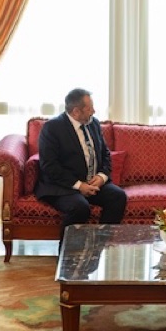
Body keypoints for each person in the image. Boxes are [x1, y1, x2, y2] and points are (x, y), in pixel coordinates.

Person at [36, 88, 127, 237]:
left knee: (118, 196)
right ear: (76, 111)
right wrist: (79, 185)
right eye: (90, 108)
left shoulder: (93, 123)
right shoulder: (52, 128)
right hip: (64, 186)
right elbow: (49, 166)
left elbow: (105, 153)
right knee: (80, 208)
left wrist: (102, 176)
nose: (94, 111)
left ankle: (100, 244)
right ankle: (67, 251)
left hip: (92, 183)